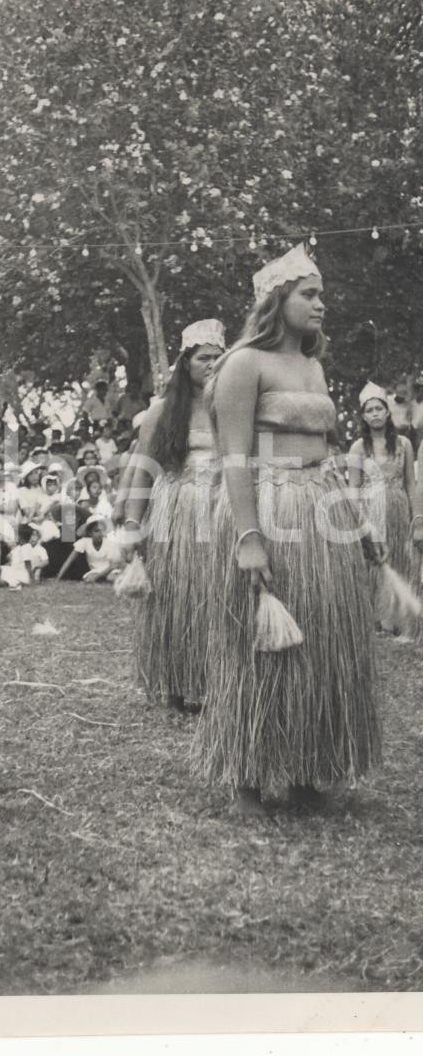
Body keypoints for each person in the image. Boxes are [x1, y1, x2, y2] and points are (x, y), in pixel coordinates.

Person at [196, 243, 380, 816]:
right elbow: (233, 458)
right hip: (268, 509)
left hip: (321, 510)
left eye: (321, 294)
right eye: (310, 294)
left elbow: (325, 453)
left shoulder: (314, 366)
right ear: (279, 301)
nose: (321, 304)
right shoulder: (244, 365)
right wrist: (249, 538)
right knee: (258, 651)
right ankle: (247, 778)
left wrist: (356, 516)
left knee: (320, 642)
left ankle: (305, 769)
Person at [119, 319, 226, 712]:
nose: (211, 364)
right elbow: (144, 469)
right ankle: (174, 684)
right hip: (175, 510)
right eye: (203, 358)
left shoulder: (229, 406)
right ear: (186, 363)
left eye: (218, 357)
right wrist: (133, 524)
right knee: (174, 597)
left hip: (217, 510)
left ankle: (214, 680)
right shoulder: (162, 410)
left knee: (214, 596)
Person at [348, 382, 418, 637]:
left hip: (398, 508)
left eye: (379, 408)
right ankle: (376, 618)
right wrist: (360, 521)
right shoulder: (358, 447)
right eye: (370, 410)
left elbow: (411, 483)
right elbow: (353, 487)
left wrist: (417, 517)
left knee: (400, 558)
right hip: (370, 510)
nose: (375, 414)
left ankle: (400, 618)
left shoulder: (403, 444)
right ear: (364, 416)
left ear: (388, 412)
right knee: (375, 562)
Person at [57, 515, 123, 583]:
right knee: (88, 579)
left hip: (110, 570)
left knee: (111, 578)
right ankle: (100, 579)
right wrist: (59, 577)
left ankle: (102, 579)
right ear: (90, 533)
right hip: (95, 571)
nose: (100, 534)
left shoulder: (109, 543)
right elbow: (69, 560)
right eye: (96, 531)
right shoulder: (84, 541)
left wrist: (97, 577)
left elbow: (113, 565)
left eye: (102, 530)